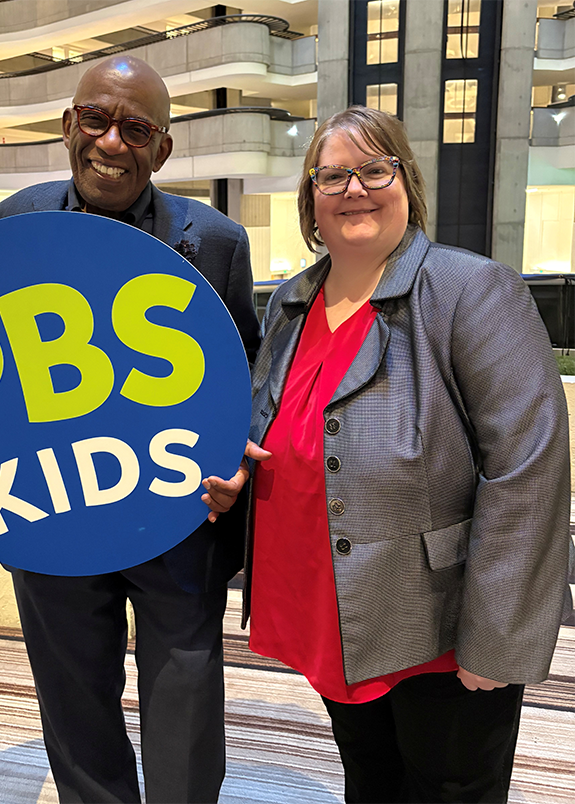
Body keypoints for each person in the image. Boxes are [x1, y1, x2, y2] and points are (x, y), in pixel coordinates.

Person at [0, 56, 262, 804]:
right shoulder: (12, 222)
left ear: (163, 149)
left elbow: (245, 372)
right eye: (96, 120)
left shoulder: (215, 240)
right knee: (73, 698)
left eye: (136, 128)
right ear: (68, 126)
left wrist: (238, 460)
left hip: (178, 507)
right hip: (51, 507)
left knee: (184, 693)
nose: (112, 142)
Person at [243, 106, 573, 804]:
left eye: (373, 169)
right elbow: (272, 421)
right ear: (311, 199)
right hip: (328, 611)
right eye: (333, 176)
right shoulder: (290, 304)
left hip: (438, 629)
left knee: (449, 789)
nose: (354, 189)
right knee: (369, 778)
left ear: (406, 181)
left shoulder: (468, 290)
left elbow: (528, 469)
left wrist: (496, 639)